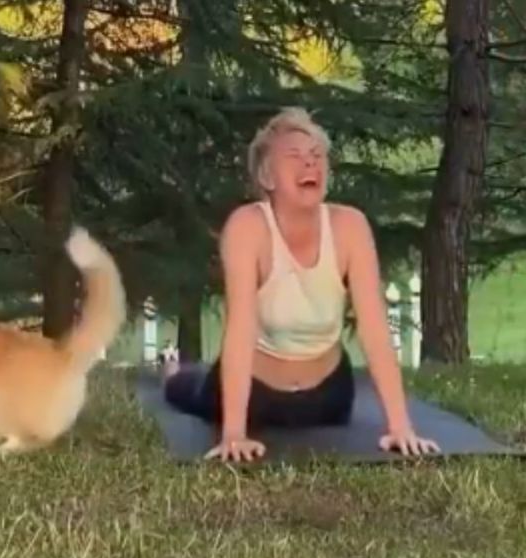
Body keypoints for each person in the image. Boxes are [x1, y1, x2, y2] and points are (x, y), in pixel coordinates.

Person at [162, 107, 440, 463]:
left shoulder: (350, 226)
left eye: (317, 156)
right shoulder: (247, 228)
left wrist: (401, 427)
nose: (310, 164)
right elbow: (241, 329)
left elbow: (374, 330)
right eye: (295, 157)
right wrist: (234, 433)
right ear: (267, 176)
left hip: (328, 397)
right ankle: (172, 370)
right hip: (255, 395)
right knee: (187, 391)